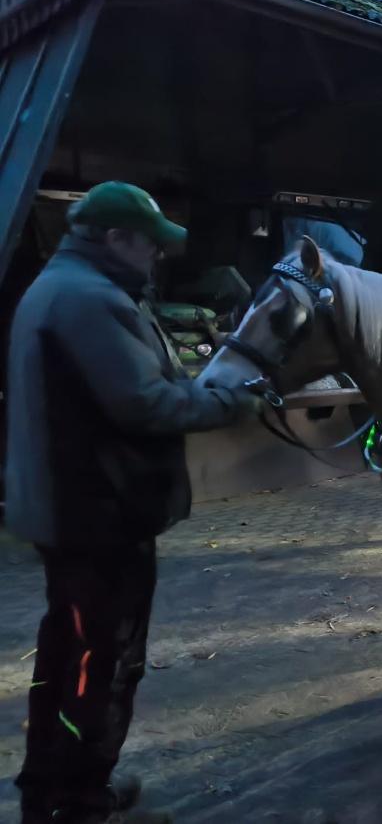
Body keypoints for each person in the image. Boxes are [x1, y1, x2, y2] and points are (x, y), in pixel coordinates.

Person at [5, 182, 263, 824]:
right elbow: (144, 403)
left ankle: (47, 788)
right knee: (106, 660)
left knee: (66, 652)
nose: (157, 258)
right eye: (151, 245)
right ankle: (83, 800)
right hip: (98, 515)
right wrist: (237, 400)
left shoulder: (61, 287)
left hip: (69, 510)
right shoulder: (91, 300)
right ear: (117, 238)